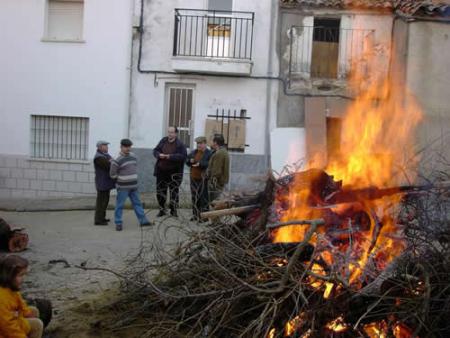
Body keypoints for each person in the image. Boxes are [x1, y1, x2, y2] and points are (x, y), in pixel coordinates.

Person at [110, 138, 152, 231]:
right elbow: (112, 174)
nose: (128, 149)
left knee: (137, 204)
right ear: (121, 147)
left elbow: (134, 167)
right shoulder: (117, 160)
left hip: (134, 186)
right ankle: (118, 223)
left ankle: (143, 221)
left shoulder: (133, 156)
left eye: (129, 147)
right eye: (125, 147)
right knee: (120, 205)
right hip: (123, 187)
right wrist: (121, 179)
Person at [0, 255, 44, 338]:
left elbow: (21, 304)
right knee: (37, 325)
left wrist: (27, 313)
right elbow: (8, 327)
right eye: (20, 275)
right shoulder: (2, 298)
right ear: (9, 276)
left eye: (24, 274)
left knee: (34, 311)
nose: (23, 278)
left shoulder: (11, 288)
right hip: (5, 332)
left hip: (15, 319)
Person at [153, 127, 187, 217]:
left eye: (172, 132)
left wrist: (169, 156)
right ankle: (162, 210)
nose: (170, 134)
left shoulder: (180, 144)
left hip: (174, 172)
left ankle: (173, 210)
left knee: (174, 192)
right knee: (160, 191)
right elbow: (155, 150)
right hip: (161, 171)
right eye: (169, 132)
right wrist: (159, 155)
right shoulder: (163, 141)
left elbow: (182, 156)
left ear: (176, 134)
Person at [186, 136, 212, 221]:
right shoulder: (194, 152)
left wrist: (199, 163)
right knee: (194, 197)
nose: (199, 145)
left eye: (200, 143)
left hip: (203, 179)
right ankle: (195, 215)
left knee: (203, 198)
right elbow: (187, 160)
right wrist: (190, 161)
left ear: (205, 143)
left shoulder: (209, 153)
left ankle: (204, 217)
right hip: (193, 178)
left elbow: (209, 164)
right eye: (198, 144)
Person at [93, 140, 115, 225]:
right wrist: (111, 162)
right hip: (102, 182)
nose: (107, 147)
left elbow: (113, 162)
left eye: (107, 145)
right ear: (100, 147)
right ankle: (98, 220)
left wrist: (112, 161)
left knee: (105, 201)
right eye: (105, 145)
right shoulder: (98, 157)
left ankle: (102, 217)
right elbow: (110, 166)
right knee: (101, 202)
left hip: (106, 182)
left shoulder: (105, 155)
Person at [207, 134, 230, 203]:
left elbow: (217, 171)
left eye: (212, 141)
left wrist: (210, 179)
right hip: (219, 183)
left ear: (215, 143)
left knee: (214, 204)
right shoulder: (223, 151)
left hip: (216, 184)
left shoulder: (220, 153)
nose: (211, 143)